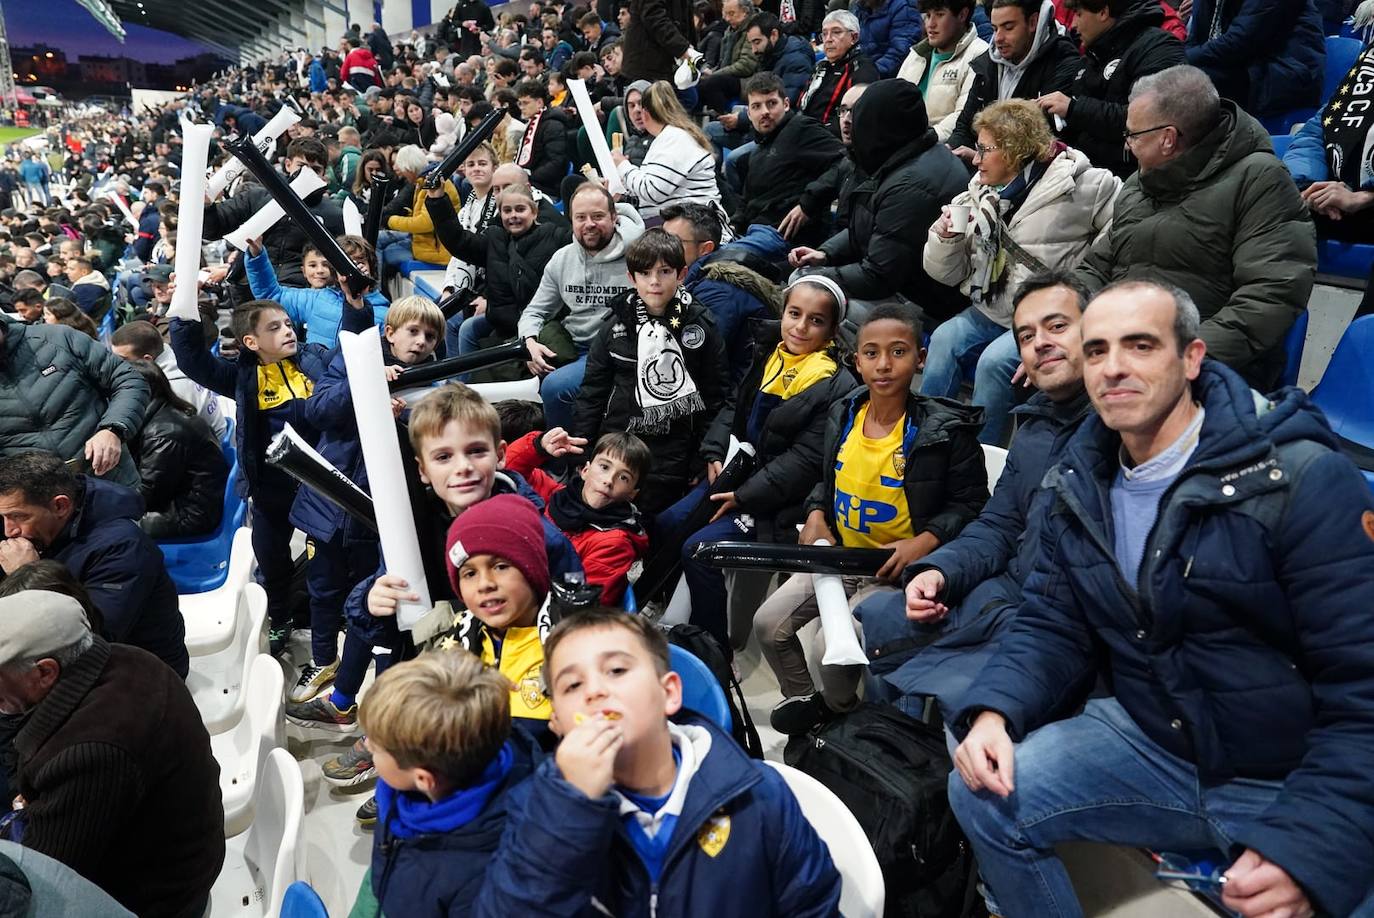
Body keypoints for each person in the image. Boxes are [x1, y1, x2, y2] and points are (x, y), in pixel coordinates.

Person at [946, 279, 1374, 918]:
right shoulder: (1077, 481)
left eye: (1140, 345)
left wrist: (1307, 847)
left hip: (1287, 768)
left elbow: (1364, 693)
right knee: (977, 791)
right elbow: (1051, 621)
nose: (1113, 367)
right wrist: (995, 713)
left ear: (1192, 358)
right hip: (1156, 742)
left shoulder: (1302, 480)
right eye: (1096, 351)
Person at [473, 609, 843, 916]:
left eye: (616, 670)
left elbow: (814, 906)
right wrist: (567, 808)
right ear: (556, 722)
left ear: (668, 693)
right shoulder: (535, 809)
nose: (595, 691)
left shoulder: (759, 797)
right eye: (572, 686)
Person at [339, 385, 582, 826]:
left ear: (501, 453)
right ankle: (407, 763)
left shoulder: (531, 526)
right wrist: (373, 600)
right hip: (436, 652)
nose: (464, 468)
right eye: (444, 456)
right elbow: (396, 614)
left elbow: (573, 598)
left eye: (476, 451)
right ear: (423, 470)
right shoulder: (408, 522)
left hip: (517, 676)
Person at [857, 271, 1094, 717]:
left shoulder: (1123, 430)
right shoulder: (1035, 427)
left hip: (1054, 623)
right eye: (1026, 334)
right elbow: (1000, 524)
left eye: (1058, 326)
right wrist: (938, 571)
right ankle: (889, 756)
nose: (1040, 342)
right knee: (885, 623)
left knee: (963, 708)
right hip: (1002, 592)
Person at [757, 302, 988, 735]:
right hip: (840, 557)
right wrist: (815, 511)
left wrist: (923, 544)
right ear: (856, 361)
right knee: (769, 625)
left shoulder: (946, 431)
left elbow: (972, 506)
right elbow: (828, 476)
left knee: (832, 645)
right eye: (871, 353)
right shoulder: (844, 412)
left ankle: (841, 714)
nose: (884, 364)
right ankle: (811, 702)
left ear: (921, 358)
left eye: (898, 352)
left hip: (891, 572)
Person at [1075, 65, 1315, 390]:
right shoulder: (1138, 184)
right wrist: (1062, 318)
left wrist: (1182, 357)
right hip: (1116, 345)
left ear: (1168, 138)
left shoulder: (1260, 180)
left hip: (1203, 364)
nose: (1127, 144)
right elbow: (1096, 266)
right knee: (1014, 366)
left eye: (1132, 134)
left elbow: (1271, 294)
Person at [660, 276, 855, 656]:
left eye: (815, 321)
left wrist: (746, 495)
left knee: (699, 550)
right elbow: (734, 404)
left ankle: (713, 648)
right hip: (737, 471)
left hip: (775, 503)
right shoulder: (770, 352)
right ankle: (676, 619)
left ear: (832, 331)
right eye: (794, 314)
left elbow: (805, 461)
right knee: (668, 521)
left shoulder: (835, 383)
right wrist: (715, 450)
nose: (800, 327)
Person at [0, 591, 222, 918]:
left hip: (158, 902)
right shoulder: (127, 658)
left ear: (45, 672)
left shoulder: (90, 752)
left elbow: (39, 875)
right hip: (173, 859)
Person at [172, 297, 372, 654]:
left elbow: (350, 352)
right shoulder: (239, 376)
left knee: (331, 560)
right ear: (251, 342)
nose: (287, 332)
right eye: (274, 328)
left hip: (322, 486)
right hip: (271, 490)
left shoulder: (315, 360)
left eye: (288, 325)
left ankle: (337, 615)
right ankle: (280, 619)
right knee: (272, 562)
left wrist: (355, 308)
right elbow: (193, 361)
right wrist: (182, 311)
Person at [921, 98, 1119, 445]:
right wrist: (944, 239)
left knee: (994, 364)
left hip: (1048, 315)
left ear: (1013, 150)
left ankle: (983, 463)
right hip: (995, 308)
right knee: (942, 340)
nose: (976, 158)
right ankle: (927, 442)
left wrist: (1083, 306)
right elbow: (946, 274)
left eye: (985, 149)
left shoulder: (1084, 184)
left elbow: (1116, 245)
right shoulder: (980, 190)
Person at [282, 296, 442, 709]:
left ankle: (351, 695)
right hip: (328, 504)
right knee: (322, 589)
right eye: (413, 331)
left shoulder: (435, 383)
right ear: (388, 332)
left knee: (369, 602)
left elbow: (432, 447)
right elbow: (317, 410)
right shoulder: (353, 360)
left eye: (430, 336)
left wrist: (403, 419)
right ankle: (322, 661)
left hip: (378, 516)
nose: (421, 342)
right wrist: (366, 384)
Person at [349, 649, 540, 917]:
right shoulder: (403, 787)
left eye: (377, 747)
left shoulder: (483, 874)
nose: (367, 745)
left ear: (424, 779)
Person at [790, 80, 971, 329]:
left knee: (813, 302)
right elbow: (874, 226)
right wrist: (826, 254)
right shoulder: (906, 156)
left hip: (924, 301)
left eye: (860, 120)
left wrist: (819, 276)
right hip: (905, 283)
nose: (852, 126)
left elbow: (879, 275)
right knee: (803, 283)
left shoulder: (911, 184)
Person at [571, 230, 729, 512]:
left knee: (651, 528)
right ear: (632, 278)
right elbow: (592, 393)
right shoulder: (614, 326)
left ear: (681, 274)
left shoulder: (701, 326)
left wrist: (701, 456)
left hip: (673, 454)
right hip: (618, 444)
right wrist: (583, 451)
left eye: (664, 271)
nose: (654, 282)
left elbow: (716, 398)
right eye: (645, 273)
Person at [0, 452, 188, 677]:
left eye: (18, 517)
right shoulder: (40, 528)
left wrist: (28, 574)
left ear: (61, 506)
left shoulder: (123, 547)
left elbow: (92, 640)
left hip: (139, 678)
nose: (9, 531)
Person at [517, 183, 647, 430]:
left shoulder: (639, 257)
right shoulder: (562, 258)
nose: (589, 224)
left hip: (616, 350)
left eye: (598, 216)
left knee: (556, 386)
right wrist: (529, 343)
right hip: (572, 346)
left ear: (614, 217)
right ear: (571, 220)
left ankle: (563, 463)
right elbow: (535, 311)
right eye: (581, 217)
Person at [441, 494, 559, 734]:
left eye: (501, 566)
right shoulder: (459, 634)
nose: (485, 584)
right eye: (469, 573)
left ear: (533, 570)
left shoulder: (570, 644)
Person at [1035, 0, 1185, 176]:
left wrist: (1073, 108)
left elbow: (1148, 121)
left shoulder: (1158, 48)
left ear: (1103, 12)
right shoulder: (1094, 54)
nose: (1073, 25)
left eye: (1079, 13)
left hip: (1136, 180)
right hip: (1088, 173)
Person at [0, 314, 148, 491]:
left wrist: (113, 429)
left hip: (109, 482)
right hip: (36, 501)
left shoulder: (57, 339)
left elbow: (129, 380)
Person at [504, 429, 651, 605]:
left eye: (623, 478)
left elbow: (579, 603)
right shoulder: (555, 496)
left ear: (632, 494)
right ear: (585, 470)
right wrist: (538, 446)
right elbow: (507, 475)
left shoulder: (614, 542)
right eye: (604, 467)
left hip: (545, 612)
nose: (609, 481)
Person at [427, 182, 571, 361]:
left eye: (520, 209)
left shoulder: (555, 236)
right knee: (467, 330)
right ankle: (461, 384)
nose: (513, 216)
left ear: (534, 212)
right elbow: (458, 241)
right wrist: (437, 200)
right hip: (502, 328)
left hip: (543, 328)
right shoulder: (494, 238)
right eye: (507, 210)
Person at [945, 0, 1081, 159]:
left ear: (1032, 22)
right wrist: (949, 150)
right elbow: (964, 126)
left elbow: (1040, 141)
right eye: (994, 29)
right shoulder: (989, 62)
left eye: (1008, 28)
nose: (998, 38)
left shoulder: (1062, 61)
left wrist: (981, 156)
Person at [661, 201, 778, 383]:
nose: (661, 248)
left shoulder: (718, 292)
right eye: (661, 238)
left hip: (728, 400)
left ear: (705, 249)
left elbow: (697, 362)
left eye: (673, 241)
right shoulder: (695, 278)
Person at [732, 73, 845, 243]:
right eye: (756, 106)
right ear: (748, 114)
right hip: (754, 230)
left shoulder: (801, 128)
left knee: (724, 260)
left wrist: (808, 203)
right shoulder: (760, 146)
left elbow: (846, 161)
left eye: (771, 103)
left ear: (785, 104)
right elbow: (748, 199)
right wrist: (734, 225)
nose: (765, 112)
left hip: (784, 236)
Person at [125, 359, 228, 540]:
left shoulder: (163, 434)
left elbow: (147, 497)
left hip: (190, 514)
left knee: (105, 526)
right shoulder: (166, 410)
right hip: (186, 500)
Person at [1184, 0, 1324, 120]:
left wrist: (1181, 59)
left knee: (1188, 86)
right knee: (1176, 76)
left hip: (1281, 72)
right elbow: (1196, 37)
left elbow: (1239, 43)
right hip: (1241, 64)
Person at [246, 235, 390, 347]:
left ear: (371, 267)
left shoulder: (387, 314)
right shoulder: (317, 299)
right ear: (334, 270)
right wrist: (257, 256)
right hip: (316, 380)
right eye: (347, 263)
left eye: (360, 262)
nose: (355, 269)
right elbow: (272, 295)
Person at [612, 81, 722, 221]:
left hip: (692, 223)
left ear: (646, 113)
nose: (636, 111)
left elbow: (653, 192)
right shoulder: (668, 137)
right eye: (631, 105)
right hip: (677, 220)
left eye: (640, 105)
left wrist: (623, 166)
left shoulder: (674, 138)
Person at [110, 320, 227, 441]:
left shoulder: (172, 388)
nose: (117, 364)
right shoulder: (175, 357)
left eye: (123, 359)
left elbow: (172, 438)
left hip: (209, 446)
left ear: (147, 359)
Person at [896, 0, 990, 142]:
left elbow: (962, 117)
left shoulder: (979, 54)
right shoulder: (916, 54)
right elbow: (893, 104)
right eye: (927, 15)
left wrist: (921, 142)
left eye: (939, 15)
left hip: (941, 149)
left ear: (962, 15)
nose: (930, 24)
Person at [438, 142, 501, 337]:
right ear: (464, 170)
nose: (476, 168)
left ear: (495, 168)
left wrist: (488, 297)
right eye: (471, 164)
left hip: (487, 289)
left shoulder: (502, 205)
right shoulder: (467, 208)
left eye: (482, 163)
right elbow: (457, 254)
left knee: (450, 321)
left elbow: (501, 259)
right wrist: (448, 288)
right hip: (462, 287)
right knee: (424, 315)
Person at [378, 144, 463, 279]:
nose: (396, 169)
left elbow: (425, 223)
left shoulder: (436, 184)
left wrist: (389, 220)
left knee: (389, 253)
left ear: (409, 167)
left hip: (437, 253)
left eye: (399, 166)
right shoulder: (422, 182)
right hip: (425, 244)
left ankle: (377, 293)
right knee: (382, 244)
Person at [798, 11, 882, 137]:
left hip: (832, 141)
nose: (828, 39)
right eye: (824, 34)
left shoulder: (863, 68)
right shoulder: (821, 66)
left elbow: (857, 117)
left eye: (836, 32)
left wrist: (813, 135)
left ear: (854, 37)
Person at [513, 81, 574, 199]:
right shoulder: (532, 123)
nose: (522, 108)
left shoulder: (553, 126)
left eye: (525, 103)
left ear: (539, 102)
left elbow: (556, 163)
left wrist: (529, 178)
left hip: (546, 187)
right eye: (520, 103)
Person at [697, 0, 760, 113]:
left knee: (714, 83)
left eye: (731, 13)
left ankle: (722, 120)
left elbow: (746, 65)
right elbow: (722, 63)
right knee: (699, 83)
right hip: (732, 77)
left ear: (745, 12)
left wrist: (716, 74)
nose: (727, 19)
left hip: (750, 79)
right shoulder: (730, 31)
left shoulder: (754, 30)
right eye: (724, 14)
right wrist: (711, 71)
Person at [621, 0, 698, 84]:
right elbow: (654, 17)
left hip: (672, 64)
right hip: (648, 65)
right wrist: (682, 48)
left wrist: (696, 60)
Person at [852, 0, 923, 79]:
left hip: (888, 78)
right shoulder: (860, 7)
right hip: (863, 72)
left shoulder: (903, 7)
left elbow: (900, 51)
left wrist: (872, 72)